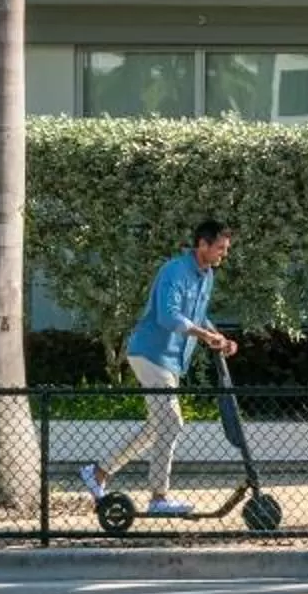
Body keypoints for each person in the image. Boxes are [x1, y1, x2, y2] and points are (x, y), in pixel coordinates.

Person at [81, 220, 239, 516]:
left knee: (158, 426)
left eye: (225, 249)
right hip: (151, 353)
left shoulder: (207, 276)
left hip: (170, 360)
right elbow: (169, 317)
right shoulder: (174, 271)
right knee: (172, 422)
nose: (223, 255)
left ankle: (99, 472)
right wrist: (204, 336)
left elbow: (198, 317)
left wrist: (218, 337)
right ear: (202, 245)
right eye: (220, 248)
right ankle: (158, 497)